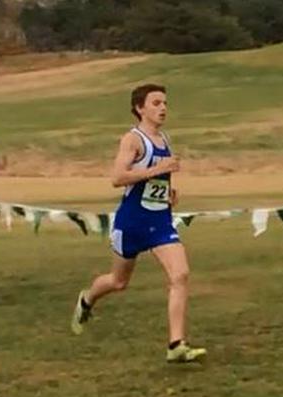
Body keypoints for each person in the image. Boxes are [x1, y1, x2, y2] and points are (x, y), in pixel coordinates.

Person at [71, 84, 206, 364]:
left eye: (165, 103)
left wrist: (167, 194)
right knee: (118, 282)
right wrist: (159, 169)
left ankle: (176, 344)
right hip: (132, 222)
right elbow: (118, 178)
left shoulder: (164, 138)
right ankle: (86, 300)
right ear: (139, 108)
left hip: (160, 221)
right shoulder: (132, 140)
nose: (163, 108)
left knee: (180, 275)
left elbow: (153, 183)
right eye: (156, 103)